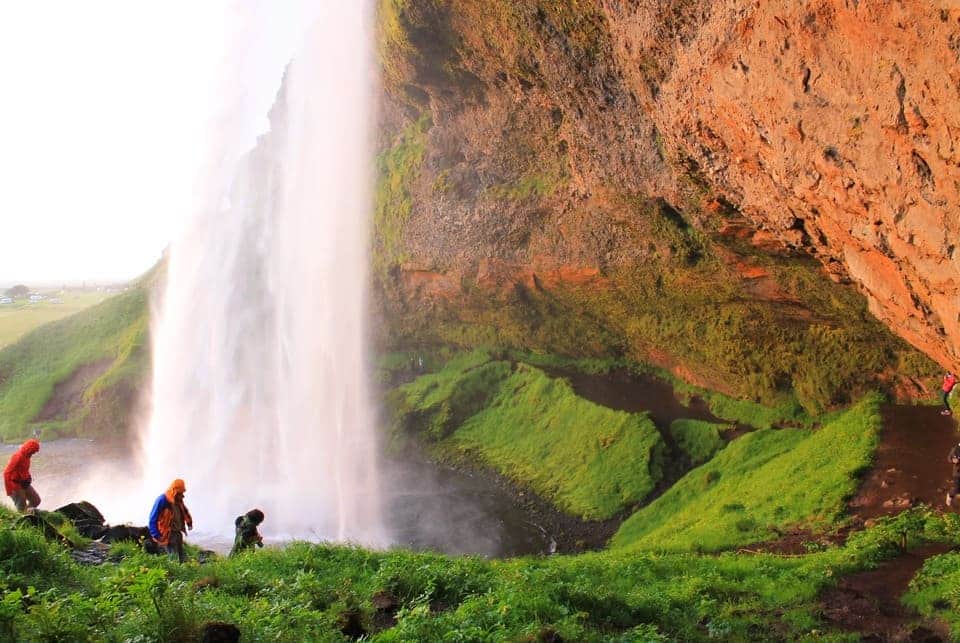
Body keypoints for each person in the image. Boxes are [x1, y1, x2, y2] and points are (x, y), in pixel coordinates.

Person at [148, 478, 193, 563]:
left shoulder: (178, 500)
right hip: (168, 534)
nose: (182, 494)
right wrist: (156, 534)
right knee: (173, 558)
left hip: (178, 533)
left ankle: (182, 571)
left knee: (181, 556)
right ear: (174, 490)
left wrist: (189, 522)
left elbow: (184, 511)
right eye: (180, 492)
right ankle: (175, 573)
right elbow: (152, 519)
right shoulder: (162, 500)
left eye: (182, 492)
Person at [3, 439, 41, 513]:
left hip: (24, 483)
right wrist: (9, 490)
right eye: (33, 451)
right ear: (28, 449)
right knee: (21, 506)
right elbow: (6, 473)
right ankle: (23, 517)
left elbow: (23, 469)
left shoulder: (27, 457)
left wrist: (28, 477)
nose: (33, 453)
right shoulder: (17, 456)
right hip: (15, 485)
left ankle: (27, 513)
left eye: (35, 452)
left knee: (36, 500)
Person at [948, 443, 960, 507]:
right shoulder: (955, 449)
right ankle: (949, 496)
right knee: (956, 488)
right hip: (957, 474)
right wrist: (953, 460)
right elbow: (949, 458)